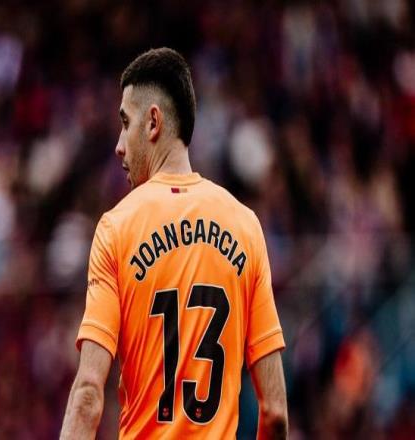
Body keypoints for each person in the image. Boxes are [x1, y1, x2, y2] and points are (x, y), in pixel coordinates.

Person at [60, 47, 288, 439]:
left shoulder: (117, 228)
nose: (119, 145)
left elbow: (88, 396)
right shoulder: (245, 227)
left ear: (153, 122)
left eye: (125, 122)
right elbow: (276, 412)